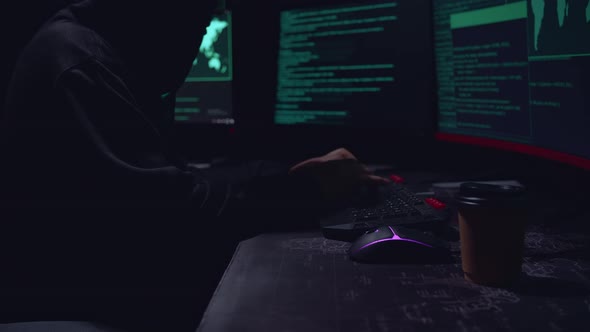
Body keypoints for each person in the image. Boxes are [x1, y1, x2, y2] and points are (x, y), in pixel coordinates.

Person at [0, 0, 387, 330]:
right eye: (200, 24)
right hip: (79, 301)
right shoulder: (80, 62)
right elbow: (173, 221)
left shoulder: (84, 45)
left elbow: (172, 184)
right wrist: (306, 189)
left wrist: (283, 177)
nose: (196, 43)